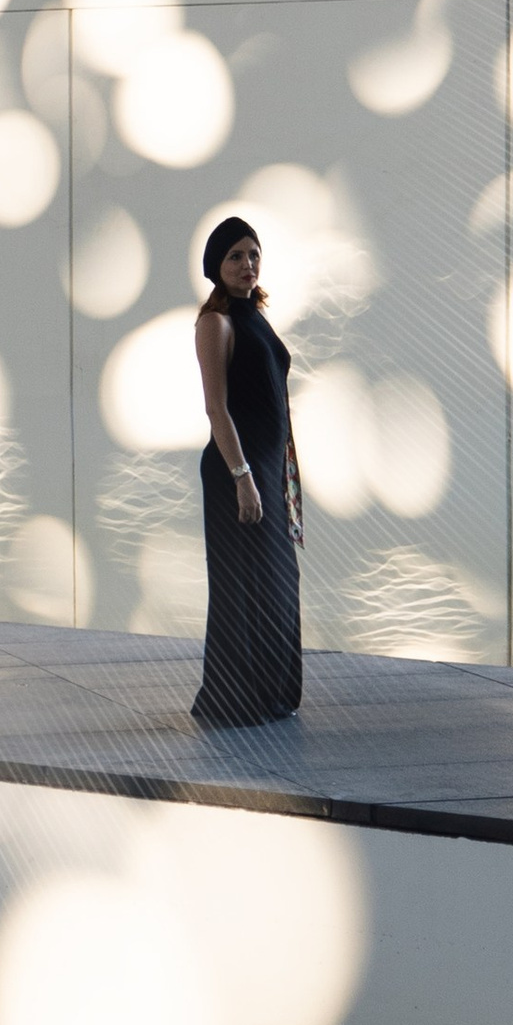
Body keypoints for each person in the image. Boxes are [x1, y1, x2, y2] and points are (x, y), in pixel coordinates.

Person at [191, 213, 302, 727]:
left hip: (265, 472)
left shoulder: (255, 315)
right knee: (243, 584)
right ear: (217, 265)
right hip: (236, 473)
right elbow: (217, 408)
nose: (247, 264)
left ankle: (270, 693)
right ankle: (236, 700)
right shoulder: (216, 323)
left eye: (253, 254)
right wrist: (242, 477)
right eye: (236, 256)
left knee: (276, 580)